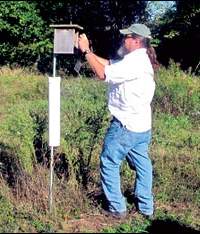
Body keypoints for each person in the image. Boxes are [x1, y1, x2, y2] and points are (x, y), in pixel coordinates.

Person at [78, 23, 159, 219]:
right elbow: (110, 65)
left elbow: (102, 73)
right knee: (142, 163)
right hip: (141, 126)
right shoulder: (137, 60)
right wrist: (87, 52)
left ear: (137, 40)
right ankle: (146, 208)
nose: (124, 39)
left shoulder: (134, 63)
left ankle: (116, 208)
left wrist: (86, 50)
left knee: (109, 161)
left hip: (125, 125)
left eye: (127, 37)